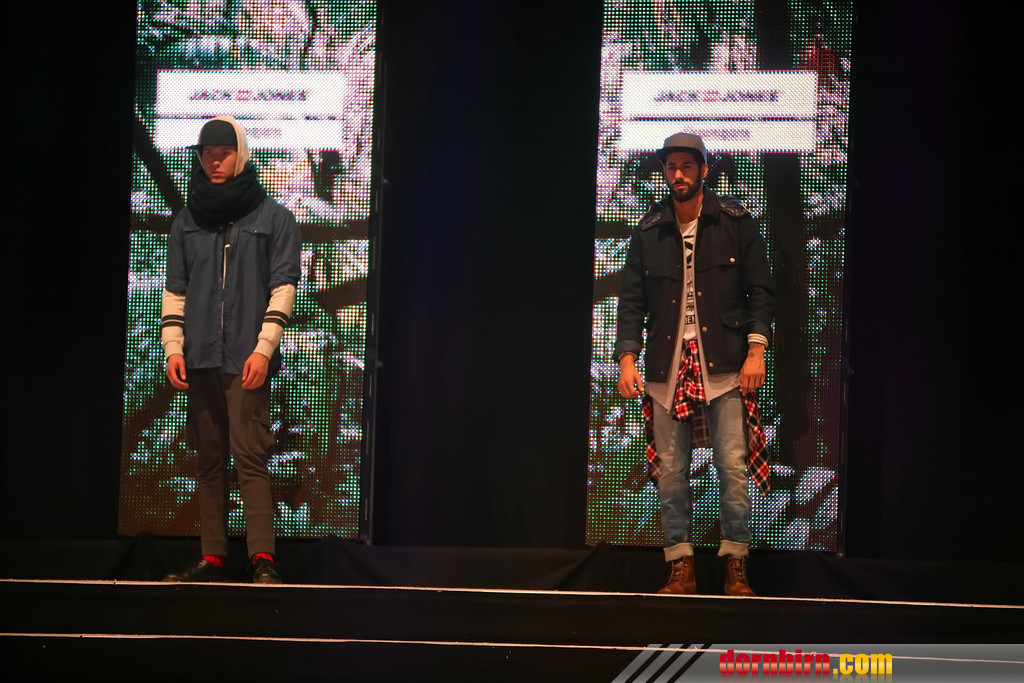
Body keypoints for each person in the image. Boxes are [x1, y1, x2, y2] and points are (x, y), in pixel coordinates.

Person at [614, 132, 776, 596]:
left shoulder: (735, 222)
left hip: (724, 361)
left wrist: (756, 350)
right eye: (671, 167)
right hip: (667, 363)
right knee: (671, 471)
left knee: (732, 467)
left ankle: (736, 566)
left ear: (704, 170)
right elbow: (632, 301)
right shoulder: (649, 230)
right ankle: (680, 568)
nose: (678, 174)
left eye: (687, 166)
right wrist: (627, 358)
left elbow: (761, 292)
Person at [160, 116, 302, 583]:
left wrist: (263, 350)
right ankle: (213, 557)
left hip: (246, 358)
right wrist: (173, 347)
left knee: (251, 457)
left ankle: (262, 558)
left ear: (240, 154)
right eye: (207, 154)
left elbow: (283, 287)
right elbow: (175, 290)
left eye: (223, 153)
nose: (215, 161)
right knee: (209, 459)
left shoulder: (273, 217)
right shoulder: (187, 220)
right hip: (200, 356)